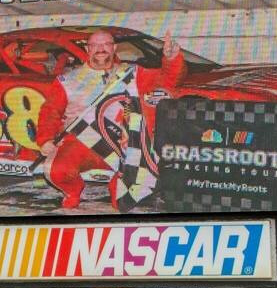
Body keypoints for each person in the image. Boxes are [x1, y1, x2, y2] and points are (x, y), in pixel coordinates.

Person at [35, 30, 185, 210]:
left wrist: (171, 59)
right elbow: (50, 112)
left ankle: (118, 186)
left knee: (121, 201)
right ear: (88, 49)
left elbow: (168, 79)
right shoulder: (68, 80)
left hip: (123, 141)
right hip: (83, 141)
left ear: (114, 48)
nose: (101, 49)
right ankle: (73, 192)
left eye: (106, 44)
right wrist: (45, 139)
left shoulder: (131, 73)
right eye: (95, 45)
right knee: (55, 170)